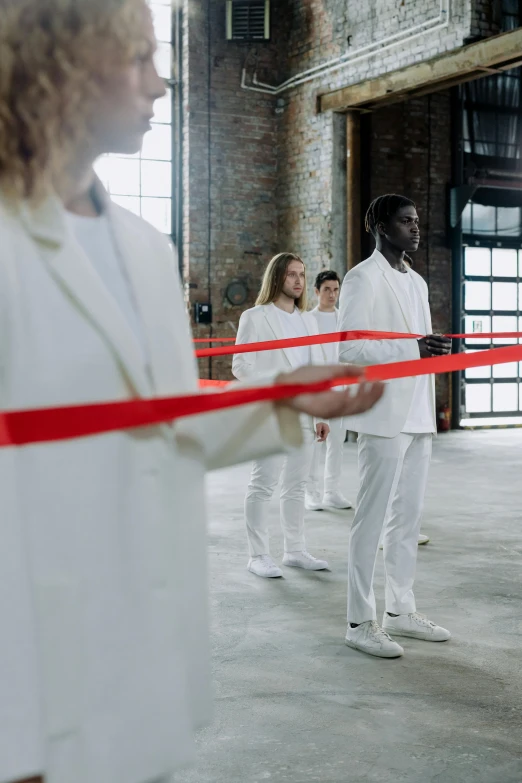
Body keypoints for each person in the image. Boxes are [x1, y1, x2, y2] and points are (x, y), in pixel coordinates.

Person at [0, 2, 386, 782]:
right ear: (63, 68)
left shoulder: (145, 249)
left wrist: (288, 402)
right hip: (31, 651)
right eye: (139, 57)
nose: (161, 79)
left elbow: (167, 430)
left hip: (141, 639)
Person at [338, 194, 452, 659]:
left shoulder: (419, 283)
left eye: (417, 221)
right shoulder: (361, 278)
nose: (415, 228)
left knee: (407, 521)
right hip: (384, 416)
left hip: (419, 414)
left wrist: (430, 352)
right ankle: (359, 620)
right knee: (370, 520)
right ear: (382, 227)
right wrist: (413, 351)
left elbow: (419, 347)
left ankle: (400, 611)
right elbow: (350, 350)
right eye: (406, 222)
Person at [233, 253, 334, 578]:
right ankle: (258, 555)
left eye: (302, 274)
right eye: (292, 274)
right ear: (277, 277)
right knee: (263, 485)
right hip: (272, 411)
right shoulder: (255, 317)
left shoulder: (309, 320)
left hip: (305, 413)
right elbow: (241, 366)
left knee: (295, 485)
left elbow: (317, 368)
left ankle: (294, 550)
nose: (298, 280)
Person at [306, 270, 353, 511]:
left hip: (340, 387)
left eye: (336, 289)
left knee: (338, 441)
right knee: (316, 441)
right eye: (327, 289)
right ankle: (311, 493)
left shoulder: (343, 318)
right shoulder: (307, 320)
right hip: (316, 389)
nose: (332, 294)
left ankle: (331, 491)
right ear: (316, 291)